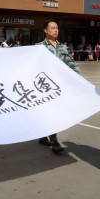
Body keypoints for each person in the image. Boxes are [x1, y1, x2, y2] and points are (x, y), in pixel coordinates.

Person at [36, 20, 80, 154]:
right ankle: (54, 142)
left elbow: (70, 62)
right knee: (51, 113)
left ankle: (43, 136)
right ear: (45, 30)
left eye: (57, 28)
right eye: (52, 28)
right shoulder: (39, 47)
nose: (56, 30)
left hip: (59, 85)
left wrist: (77, 76)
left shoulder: (62, 47)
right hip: (44, 86)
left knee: (52, 112)